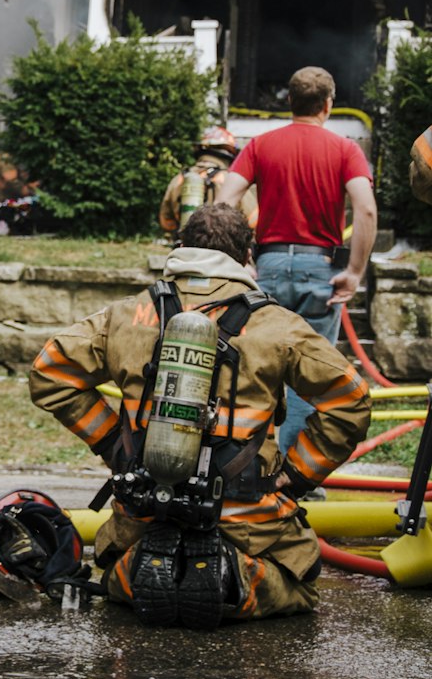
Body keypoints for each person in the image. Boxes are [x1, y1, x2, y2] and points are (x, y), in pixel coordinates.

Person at [29, 203, 370, 626]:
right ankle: (235, 580)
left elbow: (49, 372)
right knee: (299, 584)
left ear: (179, 248)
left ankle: (135, 574)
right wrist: (296, 475)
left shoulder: (124, 316)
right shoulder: (278, 326)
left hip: (145, 511)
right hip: (247, 521)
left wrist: (114, 445)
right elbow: (351, 399)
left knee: (118, 572)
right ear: (247, 258)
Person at [216, 67, 376, 456]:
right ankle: (293, 474)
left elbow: (223, 202)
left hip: (267, 269)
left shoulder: (260, 145)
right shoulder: (345, 150)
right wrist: (353, 273)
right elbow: (366, 210)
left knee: (257, 367)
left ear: (289, 101)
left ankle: (248, 467)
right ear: (328, 104)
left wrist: (239, 261)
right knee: (311, 375)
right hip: (319, 270)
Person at [158, 126, 258, 235]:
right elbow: (252, 219)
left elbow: (166, 222)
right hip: (222, 245)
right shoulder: (231, 179)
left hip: (184, 245)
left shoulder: (180, 178)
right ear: (230, 153)